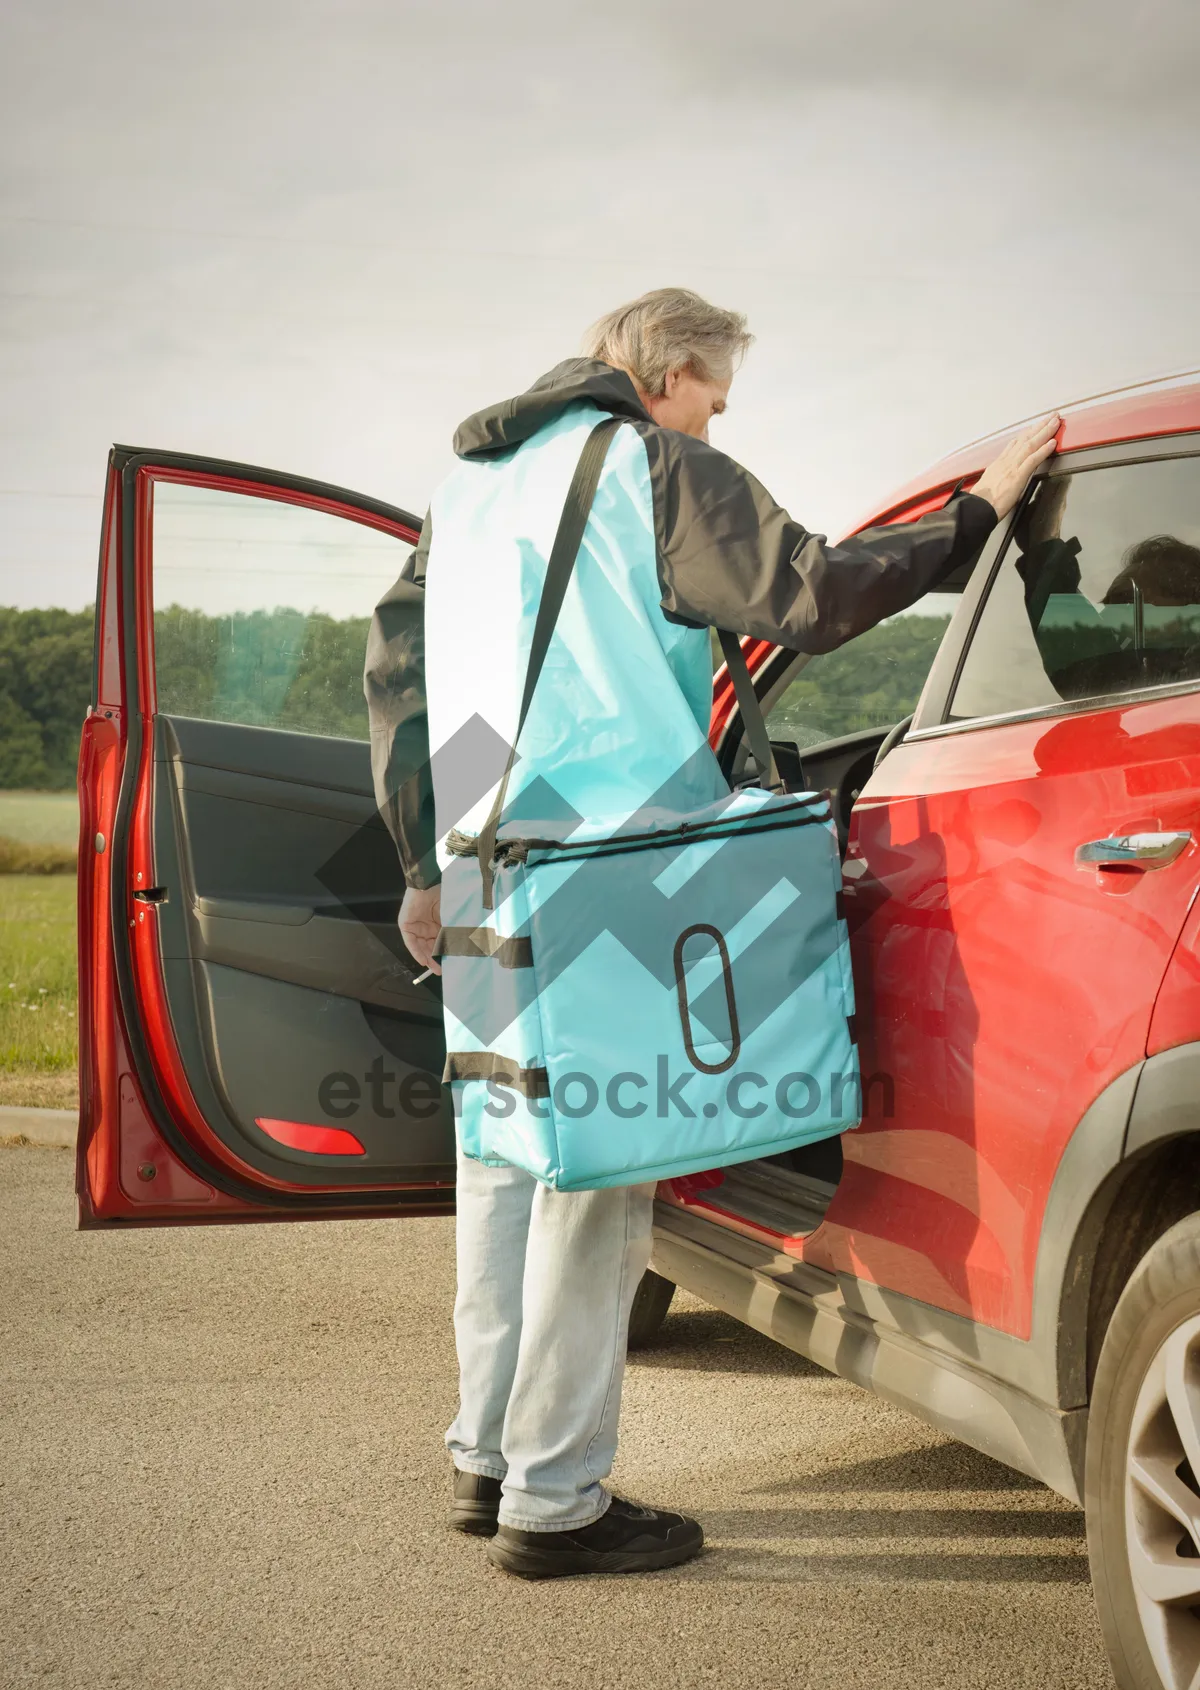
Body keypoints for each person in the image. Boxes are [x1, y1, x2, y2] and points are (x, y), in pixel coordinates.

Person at [364, 288, 1058, 1580]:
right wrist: (971, 525)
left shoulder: (465, 494)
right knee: (599, 1185)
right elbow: (809, 592)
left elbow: (398, 677)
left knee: (502, 1164)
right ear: (669, 372)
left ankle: (485, 1455)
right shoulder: (649, 465)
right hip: (606, 864)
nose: (715, 421)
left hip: (483, 862)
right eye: (715, 399)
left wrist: (421, 854)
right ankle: (557, 1502)